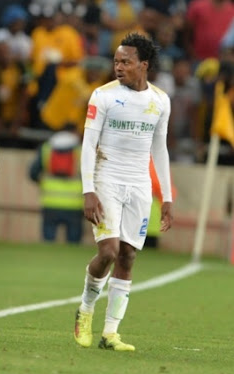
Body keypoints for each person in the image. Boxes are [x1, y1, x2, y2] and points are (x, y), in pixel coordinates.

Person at [74, 32, 173, 352]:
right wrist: (88, 190)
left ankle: (110, 334)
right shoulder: (102, 96)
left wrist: (167, 197)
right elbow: (88, 145)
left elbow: (160, 150)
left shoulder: (160, 100)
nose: (118, 67)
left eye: (126, 62)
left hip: (140, 186)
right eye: (116, 61)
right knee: (109, 251)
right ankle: (86, 310)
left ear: (143, 65)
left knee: (128, 256)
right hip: (107, 180)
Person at [28, 125, 84, 244]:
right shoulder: (81, 150)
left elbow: (33, 173)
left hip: (50, 201)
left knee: (48, 243)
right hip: (75, 203)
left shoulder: (46, 148)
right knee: (74, 246)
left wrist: (43, 183)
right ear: (74, 132)